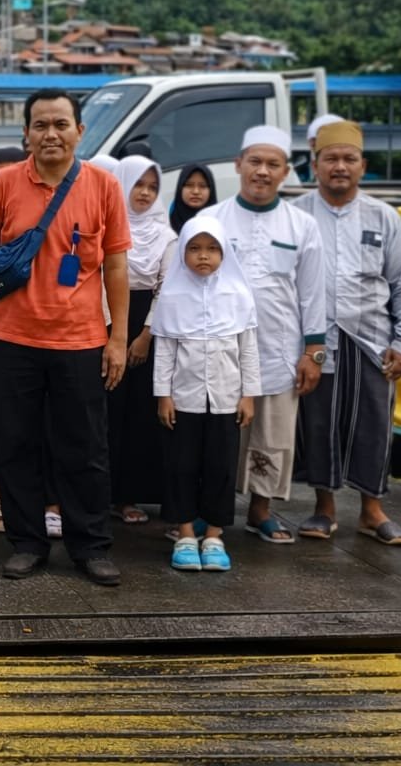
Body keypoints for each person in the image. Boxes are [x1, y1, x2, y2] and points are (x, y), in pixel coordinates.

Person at [0, 88, 132, 586]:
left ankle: (90, 545)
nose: (50, 134)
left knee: (85, 449)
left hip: (81, 342)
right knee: (16, 445)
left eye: (60, 124)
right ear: (26, 134)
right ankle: (27, 542)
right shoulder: (5, 185)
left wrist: (117, 338)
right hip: (13, 339)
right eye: (40, 125)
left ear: (79, 130)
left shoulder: (103, 186)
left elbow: (116, 266)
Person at [210, 125, 326, 544]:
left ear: (285, 171)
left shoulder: (302, 225)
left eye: (272, 164)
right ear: (239, 164)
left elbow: (313, 292)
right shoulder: (213, 220)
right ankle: (211, 511)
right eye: (254, 162)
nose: (262, 171)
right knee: (218, 433)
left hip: (279, 348)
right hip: (221, 348)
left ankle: (261, 511)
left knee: (273, 434)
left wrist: (314, 352)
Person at [295, 121, 401, 545]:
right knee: (319, 423)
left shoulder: (384, 217)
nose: (340, 166)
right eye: (331, 159)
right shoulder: (297, 215)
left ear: (363, 166)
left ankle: (372, 512)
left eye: (349, 159)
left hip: (371, 339)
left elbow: (400, 282)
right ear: (315, 165)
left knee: (373, 425)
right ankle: (324, 509)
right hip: (316, 341)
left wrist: (400, 341)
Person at [152, 216, 261, 572]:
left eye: (213, 248)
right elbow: (165, 350)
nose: (204, 256)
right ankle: (184, 533)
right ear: (183, 251)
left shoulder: (238, 295)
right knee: (181, 465)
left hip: (227, 399)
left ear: (224, 253)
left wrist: (249, 395)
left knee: (220, 467)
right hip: (183, 399)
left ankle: (214, 536)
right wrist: (163, 395)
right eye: (195, 248)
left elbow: (248, 350)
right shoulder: (171, 296)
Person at [107, 156, 177, 525]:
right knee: (104, 410)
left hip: (147, 327)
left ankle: (127, 496)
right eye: (139, 184)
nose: (146, 193)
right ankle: (99, 493)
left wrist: (144, 337)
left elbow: (165, 289)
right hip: (106, 320)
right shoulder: (107, 224)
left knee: (137, 414)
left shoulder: (166, 236)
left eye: (152, 187)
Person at [169, 163, 217, 234]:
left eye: (202, 186)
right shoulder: (166, 222)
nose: (196, 191)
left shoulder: (219, 223)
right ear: (180, 188)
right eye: (189, 185)